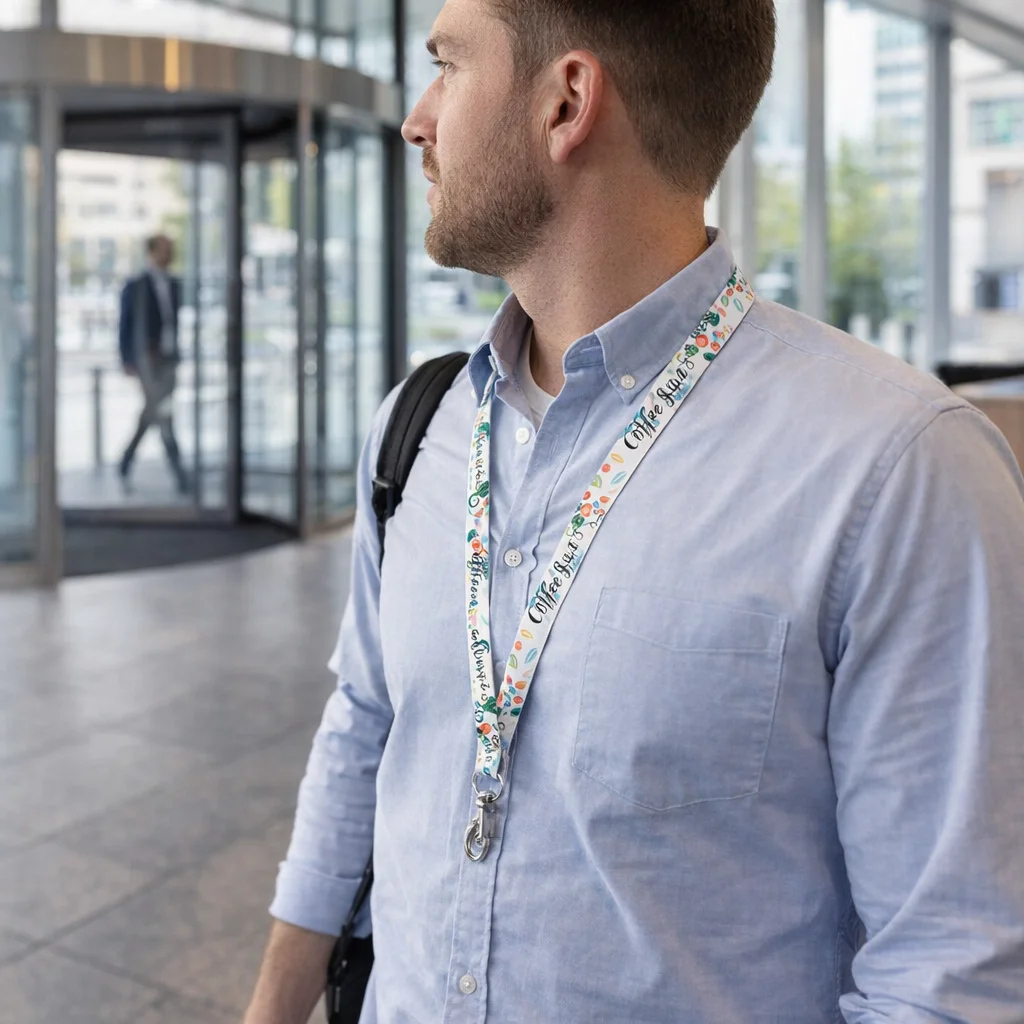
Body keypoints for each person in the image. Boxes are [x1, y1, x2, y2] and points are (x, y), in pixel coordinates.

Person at [244, 1, 1024, 1021]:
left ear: (565, 101)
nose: (417, 118)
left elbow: (948, 971)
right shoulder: (421, 426)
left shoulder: (895, 470)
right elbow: (365, 728)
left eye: (447, 65)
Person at [117, 233, 189, 494]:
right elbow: (125, 325)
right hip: (147, 361)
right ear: (152, 252)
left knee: (153, 412)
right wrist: (126, 358)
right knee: (163, 413)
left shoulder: (175, 284)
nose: (170, 254)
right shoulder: (136, 286)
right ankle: (180, 470)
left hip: (170, 358)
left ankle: (126, 458)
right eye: (165, 249)